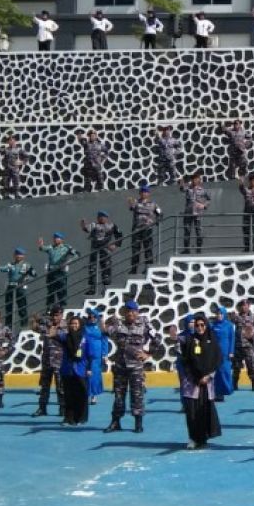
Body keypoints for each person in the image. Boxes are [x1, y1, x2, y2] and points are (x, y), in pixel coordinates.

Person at [103, 300, 161, 433]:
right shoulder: (118, 324)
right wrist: (104, 322)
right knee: (118, 395)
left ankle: (138, 423)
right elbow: (106, 331)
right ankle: (115, 422)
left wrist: (148, 353)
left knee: (137, 394)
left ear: (137, 312)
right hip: (120, 366)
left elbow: (157, 338)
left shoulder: (145, 324)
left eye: (133, 311)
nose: (130, 314)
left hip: (136, 367)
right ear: (124, 312)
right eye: (128, 311)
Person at [179, 313, 223, 449]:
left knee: (204, 411)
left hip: (207, 382)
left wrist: (208, 376)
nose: (199, 328)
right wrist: (197, 377)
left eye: (202, 325)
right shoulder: (189, 340)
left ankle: (203, 437)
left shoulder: (212, 341)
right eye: (197, 325)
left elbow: (217, 360)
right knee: (192, 411)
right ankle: (193, 437)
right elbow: (185, 361)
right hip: (193, 383)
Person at [57, 314, 95, 425]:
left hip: (81, 369)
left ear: (80, 325)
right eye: (72, 323)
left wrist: (89, 368)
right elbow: (54, 335)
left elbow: (91, 355)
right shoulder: (65, 337)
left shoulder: (86, 338)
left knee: (81, 394)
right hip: (67, 369)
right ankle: (68, 418)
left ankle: (81, 417)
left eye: (76, 324)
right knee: (68, 395)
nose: (73, 325)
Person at [33, 306, 66, 417]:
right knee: (44, 386)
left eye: (58, 315)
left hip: (60, 361)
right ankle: (42, 408)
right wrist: (35, 319)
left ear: (61, 315)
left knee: (61, 387)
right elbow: (35, 328)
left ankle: (62, 408)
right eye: (54, 315)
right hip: (47, 360)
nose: (55, 317)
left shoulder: (66, 327)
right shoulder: (47, 326)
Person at [0, 248, 34, 327]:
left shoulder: (27, 266)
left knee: (22, 308)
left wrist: (27, 279)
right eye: (17, 254)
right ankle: (9, 328)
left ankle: (24, 326)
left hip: (20, 288)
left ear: (23, 256)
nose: (18, 256)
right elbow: (3, 268)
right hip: (10, 287)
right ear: (14, 255)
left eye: (20, 254)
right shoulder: (11, 265)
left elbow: (34, 275)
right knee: (9, 309)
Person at [229, 300, 254, 392]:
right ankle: (234, 384)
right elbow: (227, 323)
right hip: (237, 346)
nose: (243, 307)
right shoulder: (236, 317)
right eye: (242, 306)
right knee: (236, 366)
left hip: (249, 346)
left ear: (249, 306)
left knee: (251, 365)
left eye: (245, 305)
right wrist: (230, 315)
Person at [127, 184, 162, 274]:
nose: (144, 194)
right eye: (142, 192)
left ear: (148, 194)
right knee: (135, 251)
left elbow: (160, 213)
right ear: (140, 193)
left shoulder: (153, 204)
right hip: (136, 230)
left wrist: (157, 221)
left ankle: (149, 269)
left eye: (146, 192)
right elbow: (131, 207)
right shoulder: (136, 203)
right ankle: (134, 270)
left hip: (147, 230)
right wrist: (131, 202)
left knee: (148, 250)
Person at [38, 233, 78, 310]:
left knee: (62, 289)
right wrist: (41, 245)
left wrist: (69, 261)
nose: (55, 239)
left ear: (61, 239)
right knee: (51, 290)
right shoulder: (51, 247)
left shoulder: (66, 247)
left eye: (57, 238)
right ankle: (49, 308)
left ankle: (62, 306)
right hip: (51, 272)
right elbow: (43, 248)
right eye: (54, 238)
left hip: (61, 272)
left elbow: (77, 254)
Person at [178, 172, 211, 255]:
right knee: (187, 231)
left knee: (199, 232)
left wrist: (204, 206)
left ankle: (198, 249)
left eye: (196, 179)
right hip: (188, 213)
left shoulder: (202, 190)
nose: (194, 180)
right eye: (193, 179)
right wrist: (181, 182)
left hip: (198, 214)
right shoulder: (188, 188)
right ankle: (186, 249)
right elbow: (182, 189)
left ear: (199, 180)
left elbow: (209, 199)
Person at [209, 307, 236, 399]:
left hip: (226, 353)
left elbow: (232, 339)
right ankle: (218, 394)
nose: (219, 315)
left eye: (221, 314)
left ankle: (227, 390)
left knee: (225, 372)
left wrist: (231, 351)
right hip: (215, 353)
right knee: (217, 374)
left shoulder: (229, 325)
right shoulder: (213, 325)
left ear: (224, 314)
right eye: (217, 314)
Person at [0, 134, 30, 199]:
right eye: (9, 140)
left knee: (16, 181)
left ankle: (16, 193)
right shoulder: (6, 150)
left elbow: (27, 156)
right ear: (8, 142)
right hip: (7, 168)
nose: (11, 141)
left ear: (15, 141)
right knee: (6, 181)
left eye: (12, 140)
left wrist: (21, 162)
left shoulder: (19, 149)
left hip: (15, 168)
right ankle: (6, 194)